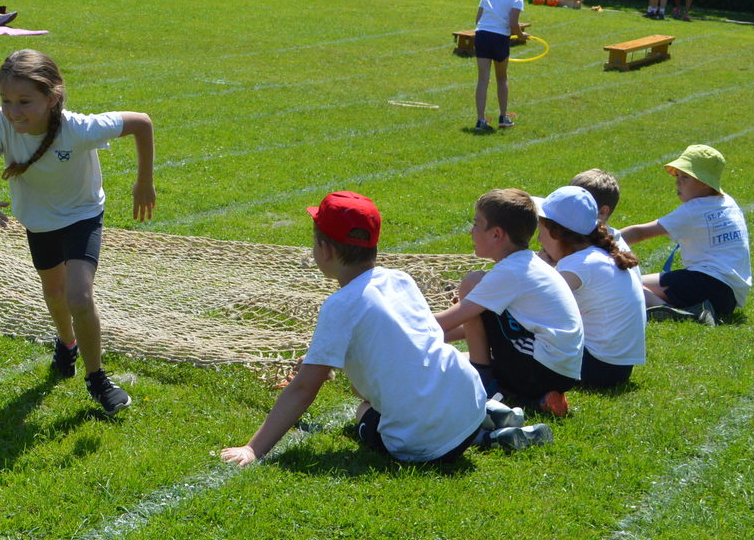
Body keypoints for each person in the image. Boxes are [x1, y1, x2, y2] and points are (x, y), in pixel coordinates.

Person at [219, 192, 544, 467]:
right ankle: (491, 419)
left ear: (326, 250)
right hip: (469, 395)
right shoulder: (400, 279)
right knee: (412, 390)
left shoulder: (340, 305)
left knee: (364, 412)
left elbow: (304, 388)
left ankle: (488, 435)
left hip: (425, 444)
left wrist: (253, 449)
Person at [0, 49, 155, 419]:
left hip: (82, 215)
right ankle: (67, 344)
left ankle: (98, 380)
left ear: (52, 97)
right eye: (7, 100)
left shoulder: (78, 128)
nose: (14, 111)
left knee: (79, 297)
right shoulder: (0, 123)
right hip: (38, 222)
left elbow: (141, 122)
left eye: (25, 101)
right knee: (55, 294)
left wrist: (144, 181)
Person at [435, 188, 584, 416]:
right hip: (558, 368)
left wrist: (401, 327)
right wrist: (438, 338)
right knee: (476, 290)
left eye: (476, 224)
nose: (470, 231)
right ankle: (538, 398)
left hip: (541, 368)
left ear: (497, 234)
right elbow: (472, 324)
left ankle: (487, 386)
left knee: (472, 282)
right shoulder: (524, 264)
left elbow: (446, 321)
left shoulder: (510, 273)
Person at [619, 143, 751, 323]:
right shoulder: (728, 202)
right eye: (678, 175)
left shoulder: (693, 210)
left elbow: (639, 233)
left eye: (685, 177)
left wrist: (602, 241)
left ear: (705, 183)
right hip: (730, 298)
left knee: (628, 285)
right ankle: (694, 309)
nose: (677, 182)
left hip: (705, 283)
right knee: (640, 284)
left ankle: (674, 312)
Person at [536, 186, 645, 390]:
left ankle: (479, 363)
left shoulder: (578, 265)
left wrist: (540, 267)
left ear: (556, 233)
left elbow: (535, 303)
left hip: (598, 368)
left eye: (541, 231)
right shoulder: (594, 255)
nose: (538, 239)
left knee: (517, 328)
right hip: (616, 367)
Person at [470, 0, 527, 133]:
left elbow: (477, 20)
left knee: (482, 80)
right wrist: (521, 36)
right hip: (500, 38)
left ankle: (480, 121)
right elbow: (513, 23)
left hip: (482, 36)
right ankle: (503, 117)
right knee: (501, 78)